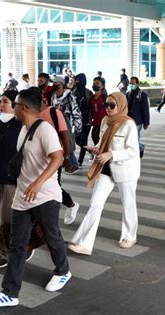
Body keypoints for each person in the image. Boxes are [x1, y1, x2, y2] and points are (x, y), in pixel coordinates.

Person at [0, 87, 71, 308]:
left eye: (15, 105)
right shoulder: (23, 129)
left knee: (52, 236)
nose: (12, 108)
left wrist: (38, 182)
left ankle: (63, 270)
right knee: (17, 244)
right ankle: (10, 293)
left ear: (23, 108)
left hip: (46, 196)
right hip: (22, 196)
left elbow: (57, 157)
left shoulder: (44, 130)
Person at [68, 92, 140, 255]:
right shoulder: (105, 121)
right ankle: (85, 243)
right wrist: (96, 149)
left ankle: (130, 235)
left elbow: (133, 150)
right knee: (95, 203)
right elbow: (102, 141)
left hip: (125, 169)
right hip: (105, 168)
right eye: (105, 105)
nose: (108, 109)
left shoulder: (128, 124)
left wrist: (112, 154)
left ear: (120, 105)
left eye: (112, 105)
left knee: (128, 203)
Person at [0, 90, 39, 268]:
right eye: (0, 102)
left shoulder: (24, 128)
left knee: (7, 220)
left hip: (11, 181)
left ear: (16, 106)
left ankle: (20, 250)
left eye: (5, 102)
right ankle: (4, 250)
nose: (0, 105)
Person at [39, 93, 79, 225]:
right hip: (38, 157)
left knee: (54, 186)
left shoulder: (54, 113)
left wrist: (67, 158)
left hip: (55, 157)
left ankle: (71, 204)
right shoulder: (31, 115)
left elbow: (64, 136)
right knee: (45, 186)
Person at [51, 75, 83, 174]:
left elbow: (76, 111)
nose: (54, 85)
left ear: (61, 84)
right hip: (56, 123)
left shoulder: (69, 96)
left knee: (68, 143)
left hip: (68, 124)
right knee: (61, 143)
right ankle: (70, 163)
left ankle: (73, 164)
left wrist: (77, 126)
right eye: (54, 83)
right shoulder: (53, 96)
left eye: (56, 83)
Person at [73, 73, 94, 167]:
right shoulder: (73, 92)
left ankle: (80, 161)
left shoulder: (88, 93)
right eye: (75, 80)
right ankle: (90, 150)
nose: (76, 82)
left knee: (83, 140)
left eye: (78, 80)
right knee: (77, 139)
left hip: (86, 121)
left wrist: (91, 118)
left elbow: (92, 107)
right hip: (77, 121)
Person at [126, 76, 150, 157]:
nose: (131, 84)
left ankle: (135, 153)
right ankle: (140, 147)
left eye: (133, 83)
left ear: (137, 84)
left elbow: (145, 109)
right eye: (130, 83)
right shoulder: (128, 93)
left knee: (135, 138)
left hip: (137, 121)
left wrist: (146, 122)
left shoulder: (142, 94)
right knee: (129, 138)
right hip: (128, 120)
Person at [89, 77, 108, 146]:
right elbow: (91, 109)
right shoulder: (91, 98)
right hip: (95, 125)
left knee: (102, 145)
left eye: (97, 83)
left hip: (104, 126)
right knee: (95, 141)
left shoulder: (105, 97)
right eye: (94, 83)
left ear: (102, 86)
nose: (95, 85)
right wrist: (90, 119)